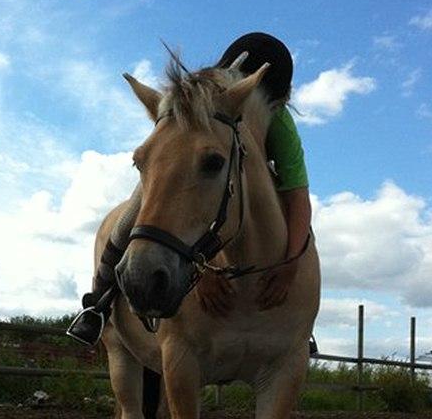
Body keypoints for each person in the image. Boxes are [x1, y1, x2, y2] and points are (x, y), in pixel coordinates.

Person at [68, 32, 312, 345]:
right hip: (177, 172)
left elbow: (297, 193)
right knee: (128, 220)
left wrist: (291, 265)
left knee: (275, 216)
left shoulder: (280, 122)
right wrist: (203, 272)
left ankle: (300, 319)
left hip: (238, 180)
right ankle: (98, 304)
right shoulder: (194, 93)